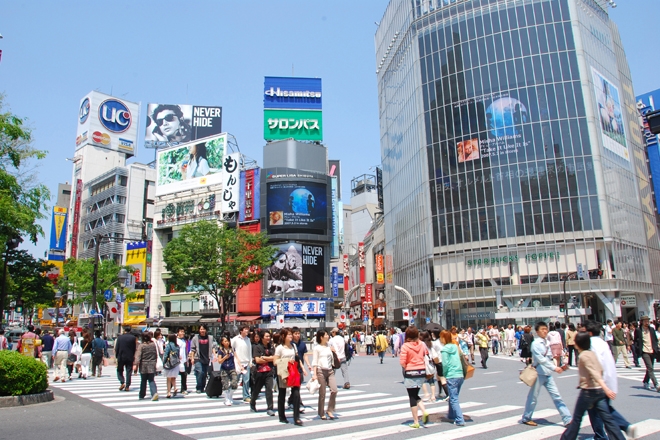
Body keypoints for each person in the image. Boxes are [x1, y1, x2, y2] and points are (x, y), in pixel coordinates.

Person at [560, 332, 625, 440]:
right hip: (599, 392)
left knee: (577, 419)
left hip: (588, 392)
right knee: (608, 419)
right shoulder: (592, 353)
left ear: (577, 344)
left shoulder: (583, 356)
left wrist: (606, 388)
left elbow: (594, 372)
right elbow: (599, 369)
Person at [583, 320, 637, 440]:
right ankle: (621, 429)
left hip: (599, 384)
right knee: (603, 409)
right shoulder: (602, 342)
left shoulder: (591, 344)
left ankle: (609, 432)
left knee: (597, 410)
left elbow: (595, 365)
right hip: (609, 380)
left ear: (589, 332)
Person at [521, 321, 572, 427]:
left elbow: (549, 357)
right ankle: (526, 417)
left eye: (546, 329)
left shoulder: (547, 342)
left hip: (547, 373)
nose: (545, 331)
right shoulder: (536, 344)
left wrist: (557, 365)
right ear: (537, 331)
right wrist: (555, 367)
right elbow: (541, 359)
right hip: (539, 374)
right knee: (533, 397)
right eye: (542, 329)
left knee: (557, 396)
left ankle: (567, 419)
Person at [399, 326, 429, 429]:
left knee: (412, 397)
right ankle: (424, 411)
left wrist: (407, 366)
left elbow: (402, 361)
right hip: (421, 371)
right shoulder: (422, 344)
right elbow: (426, 354)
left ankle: (416, 421)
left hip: (411, 371)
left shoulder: (405, 346)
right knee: (416, 394)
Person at [274, 328, 303, 426]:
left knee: (296, 393)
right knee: (282, 394)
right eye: (289, 335)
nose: (291, 336)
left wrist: (301, 367)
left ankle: (296, 417)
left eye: (291, 334)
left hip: (293, 371)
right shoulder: (279, 348)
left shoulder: (293, 346)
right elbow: (275, 362)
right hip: (283, 371)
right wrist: (286, 361)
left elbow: (297, 358)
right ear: (283, 336)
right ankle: (282, 416)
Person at [440, 329, 466, 426]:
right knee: (453, 396)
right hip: (460, 374)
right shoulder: (455, 347)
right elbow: (461, 356)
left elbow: (445, 364)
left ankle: (460, 419)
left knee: (454, 398)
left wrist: (444, 374)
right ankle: (451, 415)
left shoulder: (445, 349)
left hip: (451, 375)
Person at [312, 330, 337, 420]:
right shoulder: (317, 348)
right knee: (322, 393)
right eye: (326, 335)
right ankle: (321, 412)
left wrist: (333, 351)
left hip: (330, 371)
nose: (328, 336)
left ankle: (330, 409)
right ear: (321, 337)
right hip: (320, 371)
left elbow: (333, 359)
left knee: (334, 390)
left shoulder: (329, 346)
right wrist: (314, 374)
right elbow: (315, 362)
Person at [250, 330, 276, 416]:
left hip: (269, 371)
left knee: (269, 389)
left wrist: (264, 358)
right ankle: (252, 403)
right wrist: (269, 358)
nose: (268, 338)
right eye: (266, 336)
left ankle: (270, 408)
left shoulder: (271, 347)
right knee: (257, 390)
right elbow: (257, 360)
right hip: (259, 372)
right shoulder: (257, 347)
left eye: (269, 336)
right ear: (262, 337)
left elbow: (275, 358)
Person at [634, 315, 659, 392]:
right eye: (645, 321)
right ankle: (656, 384)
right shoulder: (638, 330)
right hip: (644, 351)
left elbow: (655, 339)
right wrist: (638, 349)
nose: (646, 322)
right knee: (650, 368)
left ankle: (645, 382)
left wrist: (656, 348)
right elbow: (636, 340)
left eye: (647, 321)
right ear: (641, 322)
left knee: (649, 368)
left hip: (652, 350)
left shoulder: (651, 329)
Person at [189, 325, 217, 394]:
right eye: (201, 329)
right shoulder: (195, 338)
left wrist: (215, 355)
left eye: (203, 329)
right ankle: (198, 387)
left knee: (204, 374)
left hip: (207, 358)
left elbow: (213, 347)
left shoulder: (210, 338)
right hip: (198, 358)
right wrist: (192, 358)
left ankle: (202, 387)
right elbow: (193, 349)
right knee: (200, 372)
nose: (202, 331)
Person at [133, 331, 159, 401]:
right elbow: (155, 354)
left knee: (143, 380)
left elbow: (138, 356)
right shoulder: (153, 345)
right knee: (151, 380)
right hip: (152, 364)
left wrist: (135, 364)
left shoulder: (141, 346)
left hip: (144, 365)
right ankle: (154, 393)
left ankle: (142, 394)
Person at [289, 327, 309, 411]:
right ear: (292, 335)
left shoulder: (302, 344)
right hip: (292, 367)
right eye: (295, 334)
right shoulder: (290, 344)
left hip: (300, 368)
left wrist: (308, 364)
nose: (297, 335)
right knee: (296, 386)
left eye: (298, 333)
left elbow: (305, 355)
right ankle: (298, 403)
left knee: (297, 386)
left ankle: (291, 401)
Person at [231, 325, 252, 403]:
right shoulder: (235, 339)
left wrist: (250, 361)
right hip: (237, 363)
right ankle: (229, 394)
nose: (247, 331)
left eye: (248, 329)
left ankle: (246, 396)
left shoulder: (248, 340)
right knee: (235, 380)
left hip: (246, 363)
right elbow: (231, 349)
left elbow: (249, 351)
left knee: (246, 380)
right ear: (241, 330)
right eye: (245, 329)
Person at [114, 326, 137, 392]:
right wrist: (133, 355)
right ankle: (127, 385)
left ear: (124, 330)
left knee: (119, 370)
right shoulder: (133, 338)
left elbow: (117, 348)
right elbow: (134, 348)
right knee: (129, 371)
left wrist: (117, 356)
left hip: (121, 356)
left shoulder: (120, 337)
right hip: (129, 356)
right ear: (130, 330)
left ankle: (122, 382)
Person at [217, 336, 238, 406]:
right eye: (225, 341)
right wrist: (225, 357)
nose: (227, 342)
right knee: (225, 384)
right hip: (224, 369)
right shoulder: (221, 351)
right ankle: (227, 399)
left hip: (232, 368)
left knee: (234, 382)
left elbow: (236, 357)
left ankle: (230, 395)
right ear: (222, 342)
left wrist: (240, 365)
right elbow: (219, 361)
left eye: (228, 341)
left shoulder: (232, 349)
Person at [420, 331, 439, 403]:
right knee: (431, 380)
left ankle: (426, 393)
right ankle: (433, 396)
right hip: (431, 364)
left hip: (423, 363)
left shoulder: (421, 344)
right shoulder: (431, 343)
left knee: (422, 380)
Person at [163, 333, 181, 398]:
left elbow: (166, 355)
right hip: (175, 363)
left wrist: (164, 362)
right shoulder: (177, 346)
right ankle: (175, 388)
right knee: (173, 377)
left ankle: (168, 392)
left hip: (169, 363)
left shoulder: (168, 345)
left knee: (168, 378)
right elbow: (178, 355)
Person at [176, 328, 190, 395]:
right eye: (181, 332)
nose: (183, 333)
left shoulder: (184, 341)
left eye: (183, 332)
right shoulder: (175, 340)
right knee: (173, 375)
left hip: (184, 361)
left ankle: (183, 389)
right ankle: (171, 388)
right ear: (178, 332)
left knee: (184, 375)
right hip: (176, 361)